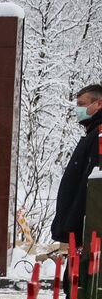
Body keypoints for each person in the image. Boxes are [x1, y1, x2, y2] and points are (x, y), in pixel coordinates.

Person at [52, 84, 102, 266]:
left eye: (82, 104)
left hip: (85, 229)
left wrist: (73, 223)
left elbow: (89, 185)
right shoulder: (92, 134)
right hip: (82, 228)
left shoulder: (98, 136)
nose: (78, 109)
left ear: (99, 104)